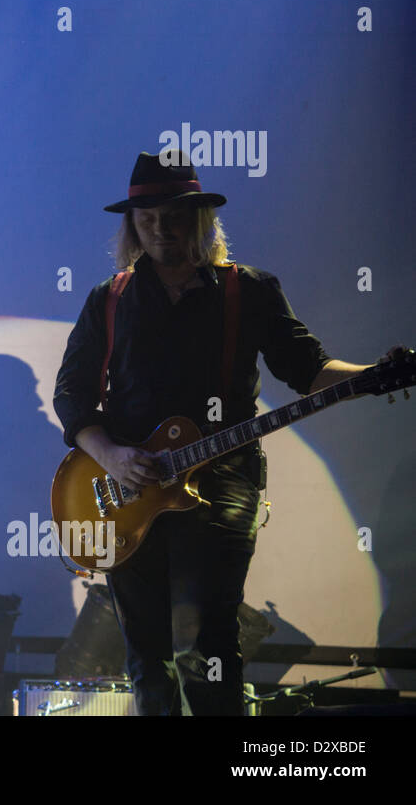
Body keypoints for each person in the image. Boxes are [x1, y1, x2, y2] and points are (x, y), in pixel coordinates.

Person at [53, 150, 403, 716]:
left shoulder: (250, 291)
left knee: (204, 645)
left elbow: (310, 370)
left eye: (172, 216)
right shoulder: (110, 299)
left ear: (199, 218)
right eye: (147, 219)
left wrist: (374, 376)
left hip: (222, 484)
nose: (160, 229)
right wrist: (112, 456)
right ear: (131, 225)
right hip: (127, 491)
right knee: (146, 657)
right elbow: (71, 395)